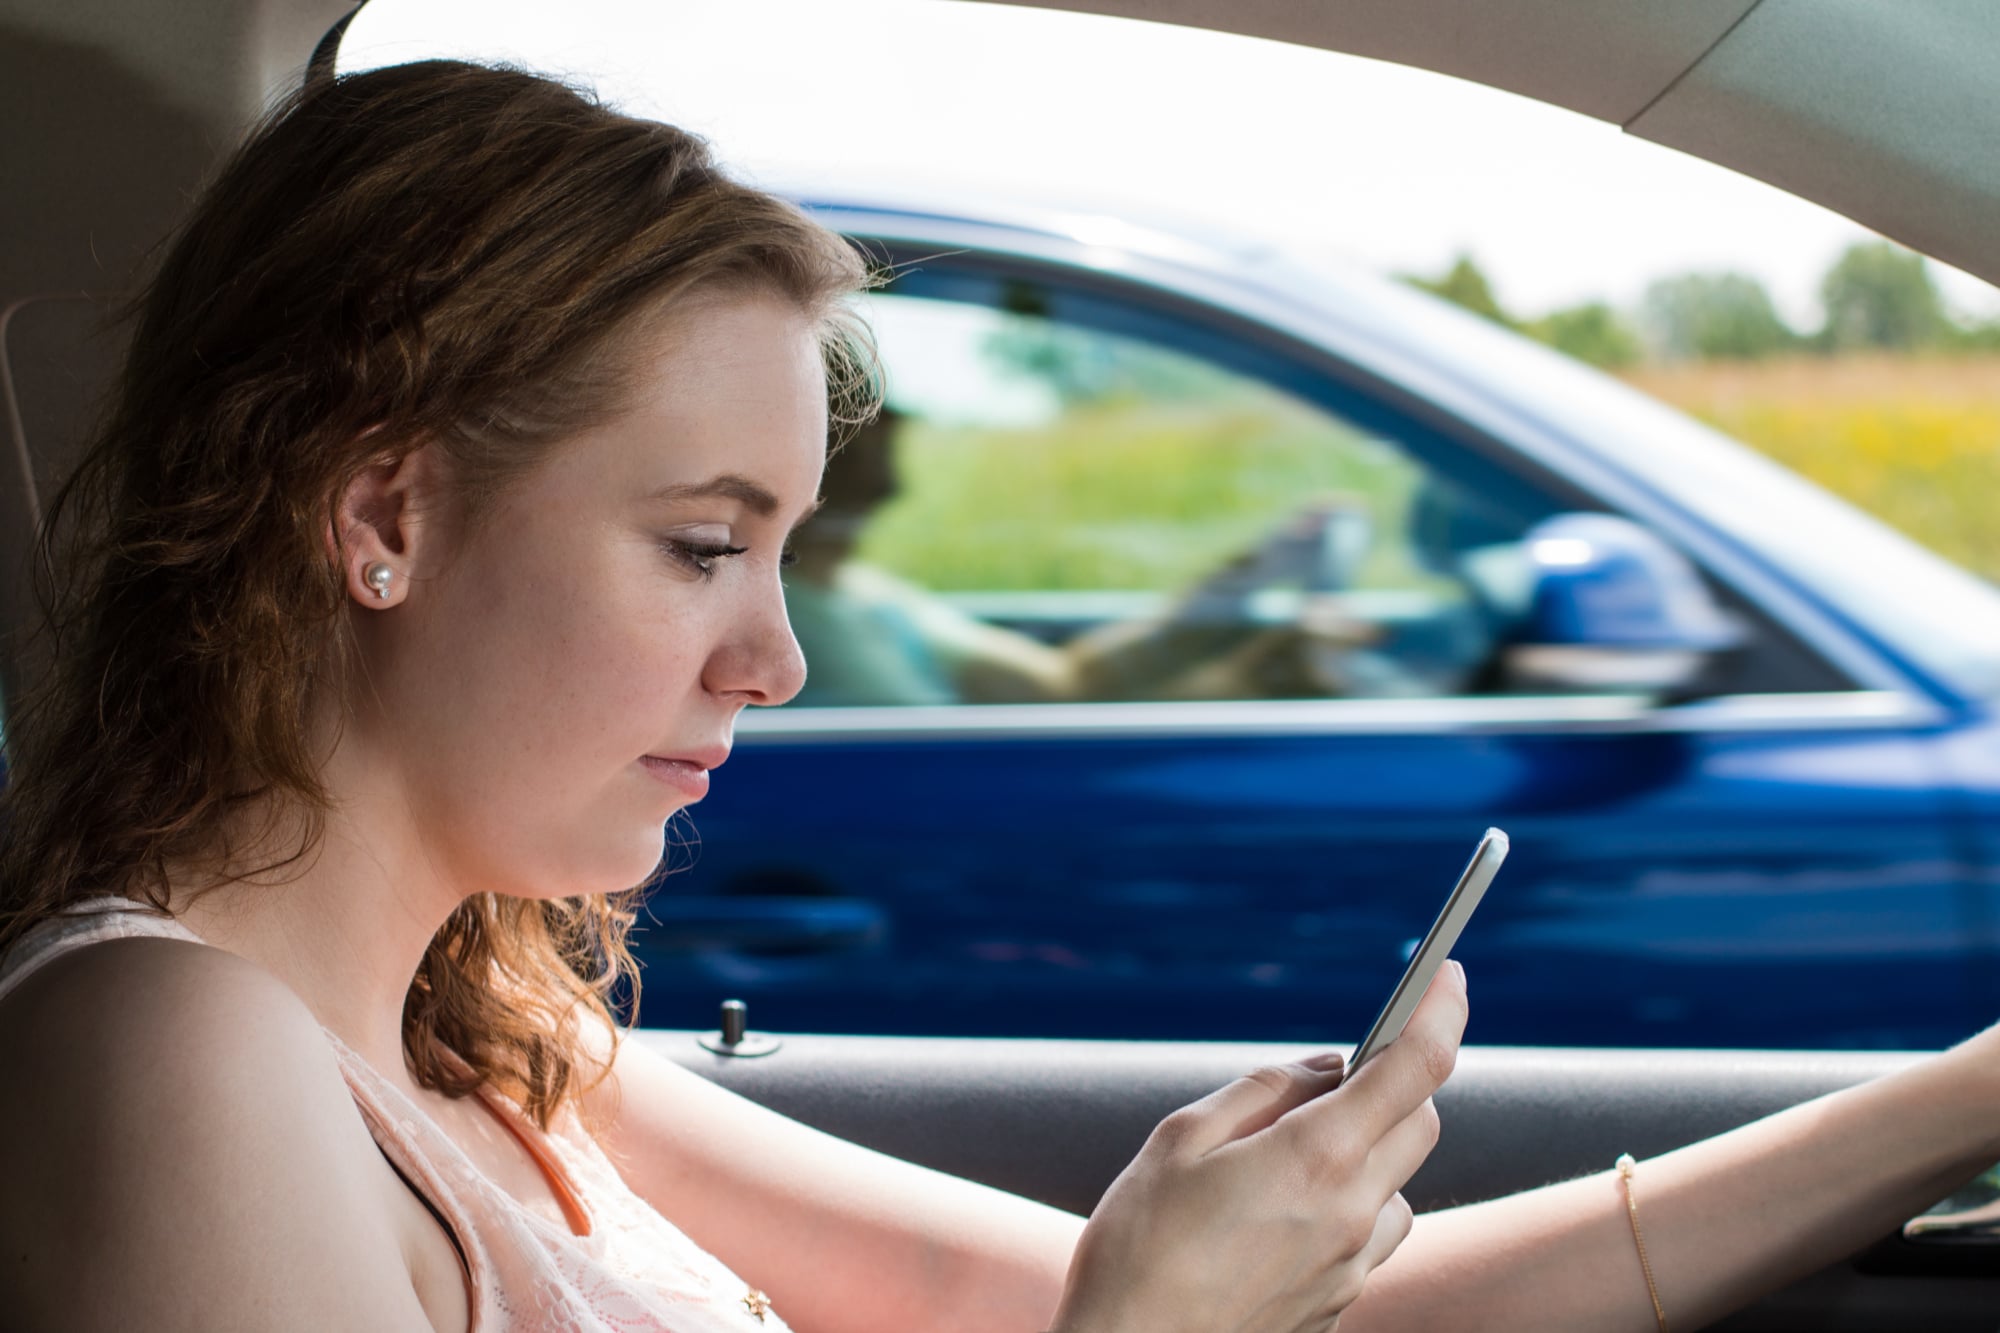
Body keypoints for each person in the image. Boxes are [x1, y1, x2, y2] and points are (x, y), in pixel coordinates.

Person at [0, 58, 1995, 1333]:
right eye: (701, 543)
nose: (774, 658)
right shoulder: (168, 1046)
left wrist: (1963, 1099)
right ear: (383, 515)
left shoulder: (507, 1067)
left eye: (784, 550)